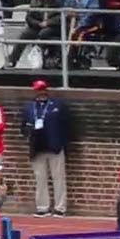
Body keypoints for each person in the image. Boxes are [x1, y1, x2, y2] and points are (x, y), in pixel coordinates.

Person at [20, 81, 69, 218]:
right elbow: (23, 127)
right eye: (39, 90)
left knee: (58, 178)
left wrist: (63, 143)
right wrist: (29, 131)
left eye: (43, 89)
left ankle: (60, 208)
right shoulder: (29, 107)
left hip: (55, 146)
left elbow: (67, 125)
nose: (41, 92)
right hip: (37, 147)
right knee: (40, 179)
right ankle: (42, 207)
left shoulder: (58, 105)